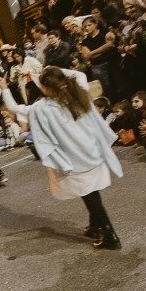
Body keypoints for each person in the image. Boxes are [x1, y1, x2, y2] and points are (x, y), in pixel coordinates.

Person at [30, 66, 124, 249]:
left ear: (48, 87)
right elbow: (79, 74)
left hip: (74, 156)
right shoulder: (78, 93)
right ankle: (96, 227)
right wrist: (53, 71)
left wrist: (5, 88)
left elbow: (17, 109)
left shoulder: (43, 108)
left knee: (90, 195)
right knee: (91, 191)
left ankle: (110, 236)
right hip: (91, 150)